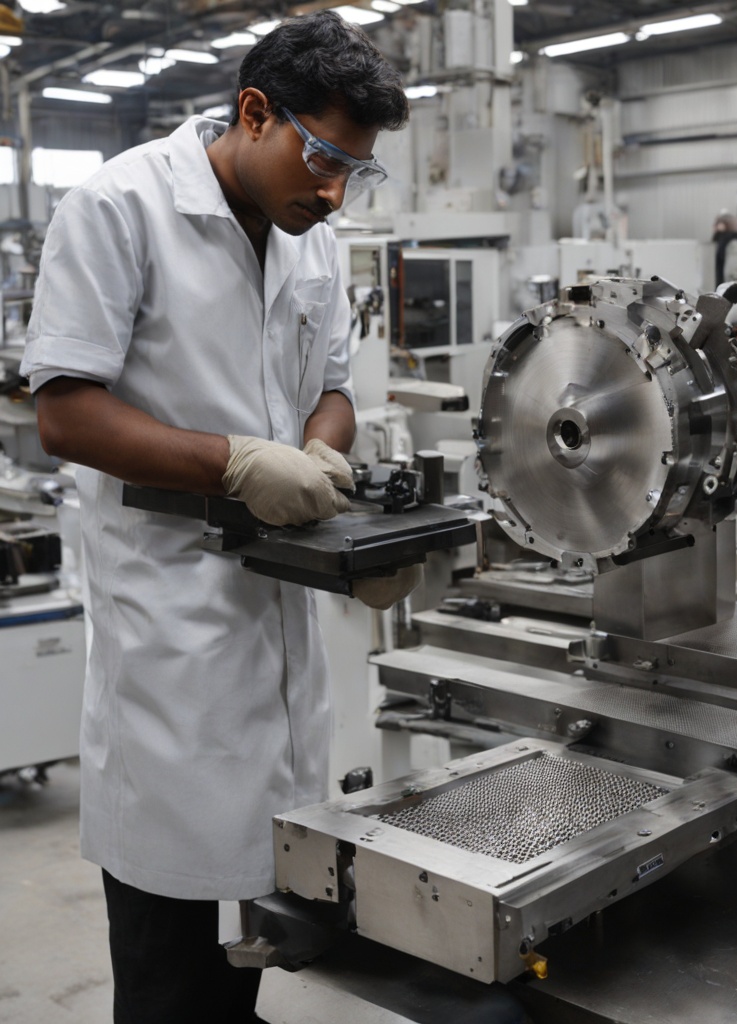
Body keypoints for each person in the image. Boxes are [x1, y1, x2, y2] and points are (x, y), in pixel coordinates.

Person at [20, 13, 412, 1023]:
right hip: (171, 635)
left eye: (353, 172)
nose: (332, 189)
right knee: (168, 972)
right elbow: (65, 412)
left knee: (254, 957)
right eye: (323, 156)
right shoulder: (120, 207)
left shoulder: (308, 237)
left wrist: (320, 459)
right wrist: (236, 464)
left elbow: (333, 387)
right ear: (253, 111)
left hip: (277, 628)